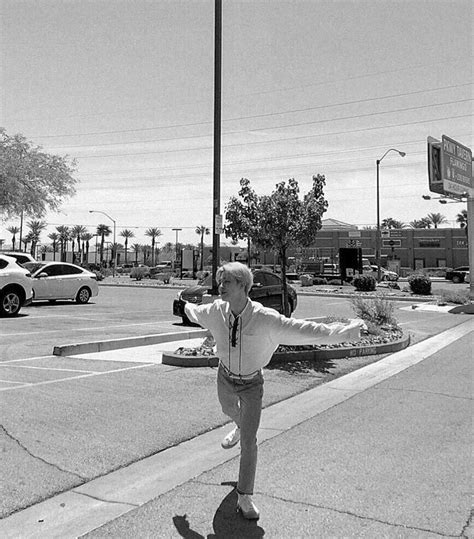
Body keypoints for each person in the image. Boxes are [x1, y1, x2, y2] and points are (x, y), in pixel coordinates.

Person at [184, 262, 366, 520]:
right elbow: (196, 313)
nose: (220, 287)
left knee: (250, 441)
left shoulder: (264, 318)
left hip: (251, 384)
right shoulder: (216, 311)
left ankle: (245, 496)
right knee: (228, 409)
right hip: (224, 376)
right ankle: (238, 424)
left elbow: (304, 330)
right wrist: (187, 306)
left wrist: (348, 330)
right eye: (220, 281)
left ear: (243, 287)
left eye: (227, 282)